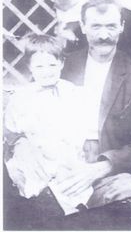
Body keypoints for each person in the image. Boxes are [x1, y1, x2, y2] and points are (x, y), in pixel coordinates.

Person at [60, 0, 131, 208]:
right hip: (62, 163)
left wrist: (102, 166)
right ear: (82, 26)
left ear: (122, 27)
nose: (104, 35)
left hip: (110, 172)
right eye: (96, 26)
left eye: (111, 26)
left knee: (127, 190)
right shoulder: (62, 67)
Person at [4, 34, 94, 214]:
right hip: (35, 157)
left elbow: (81, 129)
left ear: (61, 63)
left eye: (52, 64)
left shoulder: (72, 93)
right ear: (30, 67)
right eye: (39, 66)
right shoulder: (22, 98)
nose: (47, 71)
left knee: (72, 184)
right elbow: (13, 132)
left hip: (66, 154)